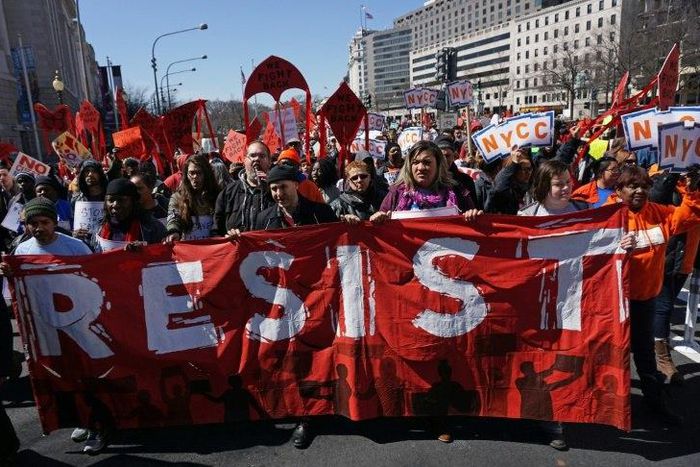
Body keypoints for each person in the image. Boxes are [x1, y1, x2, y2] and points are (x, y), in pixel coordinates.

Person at [608, 165, 700, 426]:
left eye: (644, 186)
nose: (639, 191)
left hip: (646, 298)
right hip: (615, 302)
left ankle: (654, 401)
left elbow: (689, 217)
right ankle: (610, 403)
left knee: (644, 353)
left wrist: (692, 190)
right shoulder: (608, 217)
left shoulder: (660, 213)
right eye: (632, 186)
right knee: (612, 352)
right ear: (619, 190)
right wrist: (616, 247)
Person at [371, 140, 474, 222]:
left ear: (438, 165)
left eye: (427, 162)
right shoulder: (396, 194)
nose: (420, 167)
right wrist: (378, 218)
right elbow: (381, 227)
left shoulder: (458, 191)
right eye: (415, 162)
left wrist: (472, 216)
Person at [214, 141, 275, 238]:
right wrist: (228, 237)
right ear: (244, 160)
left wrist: (271, 186)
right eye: (252, 155)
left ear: (269, 162)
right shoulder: (229, 192)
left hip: (269, 250)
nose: (257, 159)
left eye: (262, 156)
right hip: (238, 250)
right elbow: (216, 230)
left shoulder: (277, 190)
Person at [254, 165, 338, 231]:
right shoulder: (264, 219)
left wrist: (348, 223)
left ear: (296, 185)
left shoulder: (322, 212)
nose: (279, 193)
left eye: (283, 187)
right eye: (274, 189)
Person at [94, 179, 166, 252]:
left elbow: (164, 254)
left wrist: (146, 250)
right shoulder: (99, 226)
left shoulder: (152, 227)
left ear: (133, 202)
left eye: (121, 200)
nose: (115, 205)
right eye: (111, 200)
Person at [166, 155, 219, 242]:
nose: (195, 177)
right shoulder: (177, 197)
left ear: (206, 174)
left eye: (199, 173)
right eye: (191, 173)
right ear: (186, 175)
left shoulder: (218, 196)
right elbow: (173, 218)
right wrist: (174, 231)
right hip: (189, 250)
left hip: (214, 248)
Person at [519, 160, 589, 216]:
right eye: (558, 184)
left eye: (568, 181)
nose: (566, 187)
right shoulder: (527, 216)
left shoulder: (586, 209)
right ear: (544, 186)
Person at [485, 148, 533, 214]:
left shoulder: (530, 188)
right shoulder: (507, 190)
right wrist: (513, 163)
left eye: (530, 169)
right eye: (524, 169)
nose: (528, 172)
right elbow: (499, 188)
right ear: (514, 171)